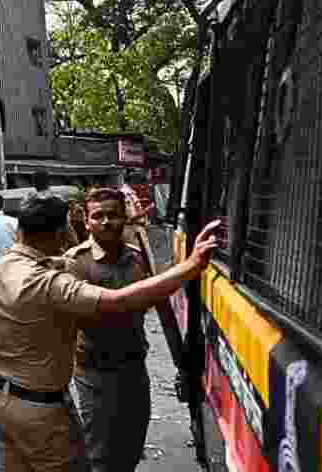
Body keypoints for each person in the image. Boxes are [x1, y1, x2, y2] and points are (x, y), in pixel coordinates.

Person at [0, 196, 221, 472]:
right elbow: (116, 301)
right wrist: (191, 265)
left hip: (0, 400)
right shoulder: (49, 281)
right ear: (60, 233)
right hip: (42, 409)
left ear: (20, 230)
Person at [65, 187, 181, 471]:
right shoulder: (75, 263)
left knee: (131, 448)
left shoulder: (136, 257)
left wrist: (181, 360)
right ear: (87, 221)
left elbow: (158, 302)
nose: (105, 222)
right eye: (98, 216)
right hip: (95, 373)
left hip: (133, 369)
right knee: (100, 454)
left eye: (113, 215)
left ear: (125, 217)